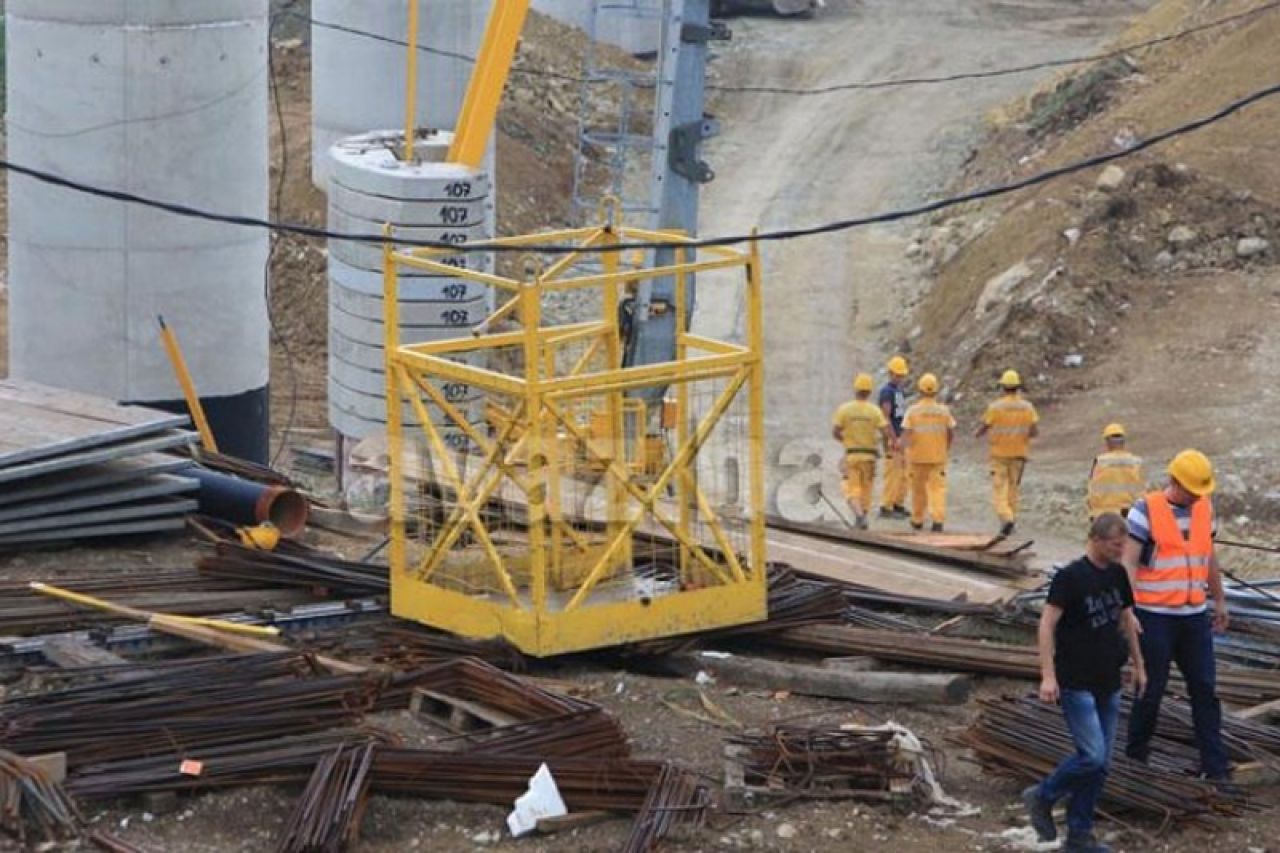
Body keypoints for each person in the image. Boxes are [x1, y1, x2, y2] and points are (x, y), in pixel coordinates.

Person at [1023, 512, 1145, 853]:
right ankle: (1042, 795)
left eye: (1124, 545)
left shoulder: (1118, 574)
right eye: (1115, 545)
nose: (1121, 551)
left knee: (1101, 765)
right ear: (1096, 539)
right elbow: (1046, 625)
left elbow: (1126, 618)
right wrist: (1048, 675)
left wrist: (1139, 664)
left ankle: (1079, 835)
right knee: (1091, 756)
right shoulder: (1070, 577)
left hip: (1109, 679)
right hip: (1075, 681)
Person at [1123, 449, 1231, 782]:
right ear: (1173, 481)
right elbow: (1127, 563)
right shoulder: (1145, 512)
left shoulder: (1203, 509)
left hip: (1193, 615)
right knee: (1150, 690)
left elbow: (1208, 557)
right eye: (1190, 490)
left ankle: (1215, 769)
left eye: (1201, 491)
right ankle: (1135, 758)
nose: (1196, 496)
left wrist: (1220, 599)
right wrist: (1127, 611)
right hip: (1153, 616)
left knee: (1204, 689)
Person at [975, 369, 1039, 537]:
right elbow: (1034, 431)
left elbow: (985, 426)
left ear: (1003, 387)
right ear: (1018, 387)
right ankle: (1012, 519)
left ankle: (1006, 518)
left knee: (999, 489)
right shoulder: (1027, 407)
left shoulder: (995, 407)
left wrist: (977, 434)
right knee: (1013, 490)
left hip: (999, 454)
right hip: (1019, 454)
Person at [831, 373, 892, 529]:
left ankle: (859, 516)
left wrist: (846, 441)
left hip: (852, 456)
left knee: (850, 488)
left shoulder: (845, 409)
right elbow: (885, 432)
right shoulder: (875, 411)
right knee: (866, 489)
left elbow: (836, 432)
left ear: (855, 389)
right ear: (870, 392)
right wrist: (886, 450)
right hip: (870, 457)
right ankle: (862, 517)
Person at [901, 373, 955, 532]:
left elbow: (906, 434)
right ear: (936, 391)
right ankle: (938, 520)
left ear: (920, 390)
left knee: (918, 490)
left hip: (917, 457)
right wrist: (945, 448)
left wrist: (903, 453)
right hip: (938, 457)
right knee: (937, 489)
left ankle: (917, 519)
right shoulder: (944, 411)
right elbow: (951, 432)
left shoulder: (913, 411)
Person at [1086, 423, 1144, 520]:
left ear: (1107, 441)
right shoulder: (1135, 462)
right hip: (1129, 514)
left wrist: (1093, 513)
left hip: (1104, 515)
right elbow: (1141, 492)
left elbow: (1092, 492)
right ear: (1123, 442)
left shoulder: (1100, 461)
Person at [877, 356, 910, 518]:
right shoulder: (886, 392)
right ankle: (886, 506)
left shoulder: (900, 391)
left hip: (901, 436)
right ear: (890, 374)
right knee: (892, 473)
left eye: (901, 375)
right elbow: (885, 416)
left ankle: (898, 503)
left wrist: (903, 437)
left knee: (903, 473)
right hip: (893, 437)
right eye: (897, 375)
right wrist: (892, 438)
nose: (900, 378)